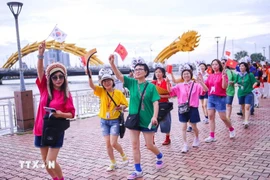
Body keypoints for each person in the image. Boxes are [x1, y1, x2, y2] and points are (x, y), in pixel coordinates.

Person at [109, 55, 163, 179]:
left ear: (146, 72)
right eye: (135, 69)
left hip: (148, 120)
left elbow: (156, 102)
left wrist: (154, 117)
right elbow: (119, 76)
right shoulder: (132, 83)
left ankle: (159, 155)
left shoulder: (151, 87)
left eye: (140, 69)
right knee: (134, 145)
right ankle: (138, 170)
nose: (137, 71)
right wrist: (112, 64)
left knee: (149, 145)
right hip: (134, 120)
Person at [34, 41, 75, 180]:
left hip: (55, 129)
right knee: (46, 162)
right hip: (40, 128)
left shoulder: (66, 94)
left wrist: (59, 114)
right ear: (50, 79)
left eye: (61, 76)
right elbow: (40, 72)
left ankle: (61, 178)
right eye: (55, 77)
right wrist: (40, 55)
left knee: (50, 161)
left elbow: (72, 114)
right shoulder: (44, 89)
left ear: (64, 78)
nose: (58, 80)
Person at [87, 68, 129, 171]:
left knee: (113, 143)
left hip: (115, 121)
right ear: (102, 83)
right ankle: (113, 163)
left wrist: (121, 107)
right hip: (104, 121)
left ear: (113, 81)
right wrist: (89, 76)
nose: (107, 83)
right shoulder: (101, 91)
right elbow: (92, 86)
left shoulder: (118, 93)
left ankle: (123, 155)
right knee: (107, 144)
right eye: (104, 81)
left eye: (108, 80)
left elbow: (125, 105)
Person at [168, 68, 208, 153]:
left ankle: (196, 137)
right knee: (183, 127)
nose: (186, 75)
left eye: (188, 73)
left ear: (191, 75)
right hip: (182, 108)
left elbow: (205, 90)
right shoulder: (179, 85)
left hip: (193, 108)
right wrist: (168, 83)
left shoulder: (196, 85)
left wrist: (201, 82)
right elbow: (170, 92)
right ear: (182, 76)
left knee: (194, 127)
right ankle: (185, 144)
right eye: (184, 74)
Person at [204, 59, 236, 143]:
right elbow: (206, 87)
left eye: (216, 64)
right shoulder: (210, 76)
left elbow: (224, 87)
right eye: (213, 64)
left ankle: (231, 129)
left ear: (219, 66)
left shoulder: (223, 74)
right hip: (211, 97)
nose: (214, 66)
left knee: (223, 117)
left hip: (220, 98)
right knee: (210, 116)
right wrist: (200, 81)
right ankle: (212, 136)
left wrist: (223, 77)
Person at [234, 62, 258, 128]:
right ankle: (245, 119)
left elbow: (255, 81)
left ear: (246, 67)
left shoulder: (250, 75)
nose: (241, 67)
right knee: (243, 107)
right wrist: (236, 84)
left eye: (242, 66)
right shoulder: (238, 75)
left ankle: (246, 121)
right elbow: (235, 82)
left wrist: (254, 85)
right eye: (240, 66)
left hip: (248, 93)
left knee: (247, 107)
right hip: (240, 93)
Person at [152, 67, 172, 145]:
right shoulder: (153, 83)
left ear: (163, 73)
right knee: (153, 121)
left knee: (166, 121)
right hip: (154, 105)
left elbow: (169, 95)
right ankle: (152, 139)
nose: (157, 74)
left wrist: (159, 96)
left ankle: (167, 138)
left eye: (159, 72)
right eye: (156, 72)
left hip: (164, 105)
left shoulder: (166, 82)